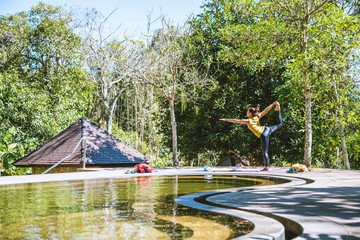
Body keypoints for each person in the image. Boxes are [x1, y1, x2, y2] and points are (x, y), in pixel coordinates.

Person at [220, 102, 283, 171]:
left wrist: (225, 119)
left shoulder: (248, 121)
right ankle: (278, 109)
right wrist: (273, 104)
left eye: (247, 111)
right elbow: (266, 110)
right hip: (267, 129)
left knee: (265, 151)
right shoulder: (257, 116)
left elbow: (236, 121)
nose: (246, 113)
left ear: (250, 113)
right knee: (280, 124)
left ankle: (266, 167)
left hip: (263, 134)